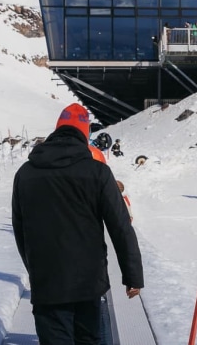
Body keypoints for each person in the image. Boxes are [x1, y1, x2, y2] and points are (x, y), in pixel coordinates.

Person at [12, 103, 143, 344]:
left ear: (57, 130)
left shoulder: (25, 174)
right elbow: (120, 226)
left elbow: (20, 231)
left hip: (47, 281)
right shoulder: (98, 172)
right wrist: (132, 275)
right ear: (85, 134)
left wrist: (35, 270)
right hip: (88, 282)